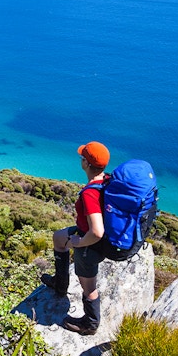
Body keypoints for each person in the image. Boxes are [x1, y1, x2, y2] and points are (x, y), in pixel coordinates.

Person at [40, 140, 112, 336]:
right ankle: (60, 284)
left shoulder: (90, 193)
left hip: (90, 242)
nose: (81, 160)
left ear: (87, 164)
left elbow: (96, 231)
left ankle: (90, 324)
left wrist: (80, 242)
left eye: (83, 158)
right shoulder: (107, 180)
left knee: (88, 287)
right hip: (84, 231)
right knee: (58, 237)